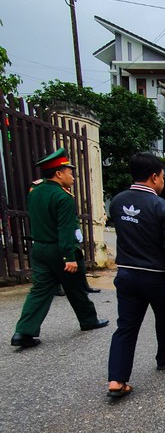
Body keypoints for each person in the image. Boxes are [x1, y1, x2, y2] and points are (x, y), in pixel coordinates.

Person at [106, 153, 165, 398]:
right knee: (164, 319)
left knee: (126, 327)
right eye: (162, 176)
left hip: (127, 274)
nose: (162, 181)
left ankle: (117, 380)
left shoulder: (118, 202)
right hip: (157, 277)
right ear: (154, 177)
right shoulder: (163, 207)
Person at [10, 148, 109, 348]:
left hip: (39, 248)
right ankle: (88, 320)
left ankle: (23, 331)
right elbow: (65, 229)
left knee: (39, 290)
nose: (72, 176)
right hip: (60, 250)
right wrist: (69, 257)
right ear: (58, 173)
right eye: (69, 172)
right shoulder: (63, 197)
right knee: (77, 288)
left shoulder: (35, 192)